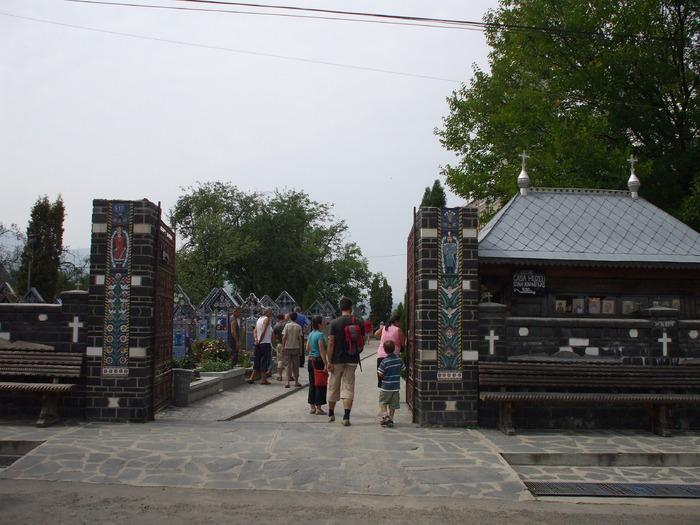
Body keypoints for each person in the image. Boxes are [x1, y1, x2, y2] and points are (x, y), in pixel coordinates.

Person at [326, 297, 364, 426]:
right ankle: (346, 416)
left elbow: (331, 342)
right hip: (352, 358)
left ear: (340, 308)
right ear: (351, 307)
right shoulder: (359, 322)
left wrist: (328, 360)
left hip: (336, 359)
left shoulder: (334, 323)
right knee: (348, 387)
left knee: (333, 386)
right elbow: (361, 341)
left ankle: (331, 414)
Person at [377, 340, 405, 427]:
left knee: (383, 402)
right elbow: (403, 369)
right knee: (393, 404)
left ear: (384, 350)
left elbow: (380, 373)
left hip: (386, 386)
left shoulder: (384, 361)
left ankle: (385, 416)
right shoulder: (399, 359)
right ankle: (391, 419)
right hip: (396, 386)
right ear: (394, 349)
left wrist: (383, 375)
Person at [373, 315, 406, 388]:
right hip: (393, 356)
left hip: (381, 355)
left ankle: (384, 394)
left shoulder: (384, 328)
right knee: (392, 377)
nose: (400, 324)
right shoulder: (398, 330)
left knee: (381, 379)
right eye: (399, 322)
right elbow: (403, 344)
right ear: (396, 321)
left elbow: (376, 334)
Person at [306, 315, 328, 415]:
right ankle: (319, 408)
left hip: (310, 361)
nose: (325, 323)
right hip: (318, 361)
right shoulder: (320, 335)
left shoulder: (311, 334)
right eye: (323, 321)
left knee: (312, 384)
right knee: (320, 384)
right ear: (319, 324)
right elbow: (322, 350)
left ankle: (312, 407)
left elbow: (307, 348)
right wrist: (325, 363)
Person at [247, 308, 272, 385]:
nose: (271, 313)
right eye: (270, 311)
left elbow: (255, 331)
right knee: (265, 360)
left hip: (258, 343)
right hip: (265, 342)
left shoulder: (259, 319)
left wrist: (256, 340)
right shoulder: (266, 319)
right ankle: (263, 379)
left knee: (257, 360)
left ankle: (252, 377)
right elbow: (264, 331)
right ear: (267, 312)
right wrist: (260, 340)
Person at [281, 311, 303, 388]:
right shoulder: (298, 326)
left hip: (287, 347)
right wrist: (301, 348)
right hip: (296, 347)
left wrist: (283, 346)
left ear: (290, 318)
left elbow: (284, 337)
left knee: (287, 365)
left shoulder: (287, 326)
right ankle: (296, 381)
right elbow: (300, 338)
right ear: (296, 318)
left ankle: (287, 382)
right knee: (296, 365)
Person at [272, 313, 289, 381]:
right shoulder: (287, 325)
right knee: (288, 360)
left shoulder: (276, 326)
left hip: (280, 343)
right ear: (284, 318)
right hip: (288, 343)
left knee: (280, 359)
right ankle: (289, 376)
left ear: (277, 319)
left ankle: (280, 375)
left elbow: (273, 337)